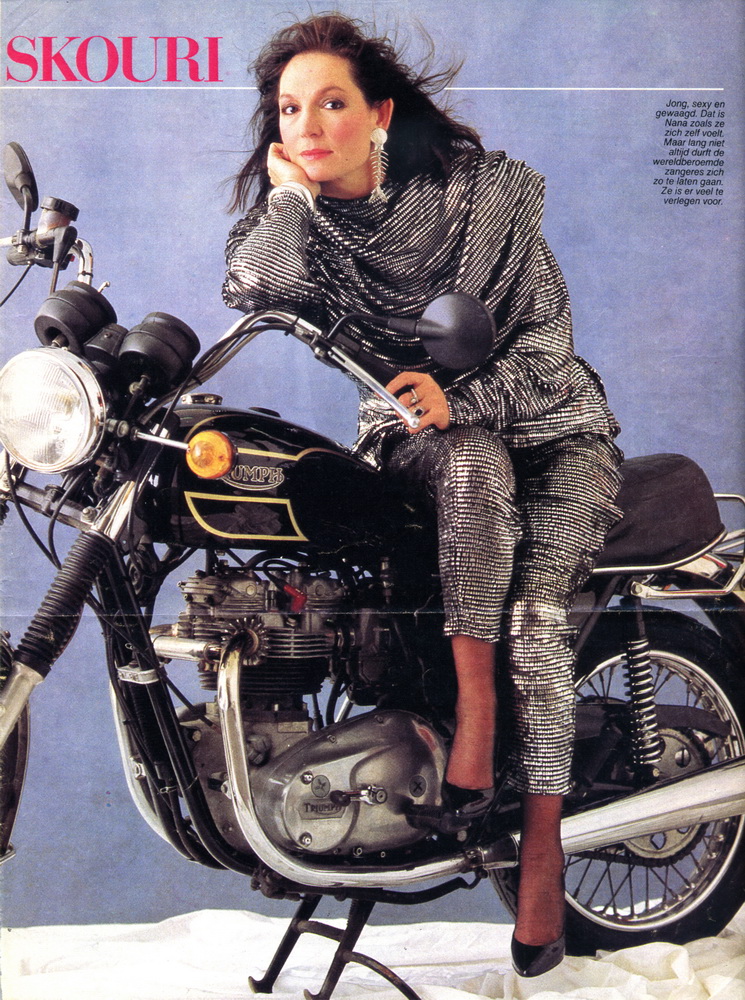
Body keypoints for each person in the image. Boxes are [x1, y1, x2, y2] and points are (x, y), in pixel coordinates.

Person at [222, 13, 623, 978]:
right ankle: (440, 724)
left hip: (555, 438)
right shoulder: (305, 224)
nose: (308, 125)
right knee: (459, 465)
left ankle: (537, 842)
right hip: (418, 442)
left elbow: (548, 348)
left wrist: (463, 396)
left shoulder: (480, 199)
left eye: (331, 103)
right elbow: (253, 285)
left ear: (380, 115)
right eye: (289, 110)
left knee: (534, 616)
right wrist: (288, 199)